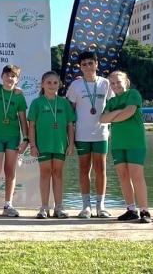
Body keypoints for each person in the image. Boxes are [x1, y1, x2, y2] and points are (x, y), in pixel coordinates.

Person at [66, 51, 114, 219]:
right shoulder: (75, 86)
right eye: (84, 64)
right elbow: (69, 111)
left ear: (96, 64)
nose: (87, 67)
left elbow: (112, 106)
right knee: (84, 169)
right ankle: (86, 207)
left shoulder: (106, 83)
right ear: (80, 67)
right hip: (81, 134)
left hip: (101, 133)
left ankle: (101, 206)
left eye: (90, 63)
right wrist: (69, 136)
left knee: (101, 169)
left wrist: (110, 125)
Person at [100, 71, 151, 223]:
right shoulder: (111, 101)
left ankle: (144, 211)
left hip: (135, 142)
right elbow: (102, 119)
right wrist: (118, 112)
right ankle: (131, 209)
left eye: (118, 82)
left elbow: (129, 113)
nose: (115, 85)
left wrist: (114, 116)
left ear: (126, 81)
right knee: (123, 176)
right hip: (117, 144)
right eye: (112, 83)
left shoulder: (133, 94)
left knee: (137, 175)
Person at [0, 65, 28, 219]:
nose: (10, 78)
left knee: (10, 171)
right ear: (2, 76)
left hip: (13, 137)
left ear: (17, 79)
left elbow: (23, 119)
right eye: (7, 75)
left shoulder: (19, 96)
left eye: (13, 76)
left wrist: (26, 139)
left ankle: (8, 205)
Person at [28, 71, 76, 219]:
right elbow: (31, 126)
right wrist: (33, 145)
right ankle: (44, 207)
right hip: (43, 144)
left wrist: (71, 144)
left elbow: (70, 126)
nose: (52, 85)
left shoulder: (64, 103)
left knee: (58, 174)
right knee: (45, 174)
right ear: (42, 84)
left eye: (55, 82)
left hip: (60, 145)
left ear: (59, 85)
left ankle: (59, 207)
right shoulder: (37, 103)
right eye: (48, 82)